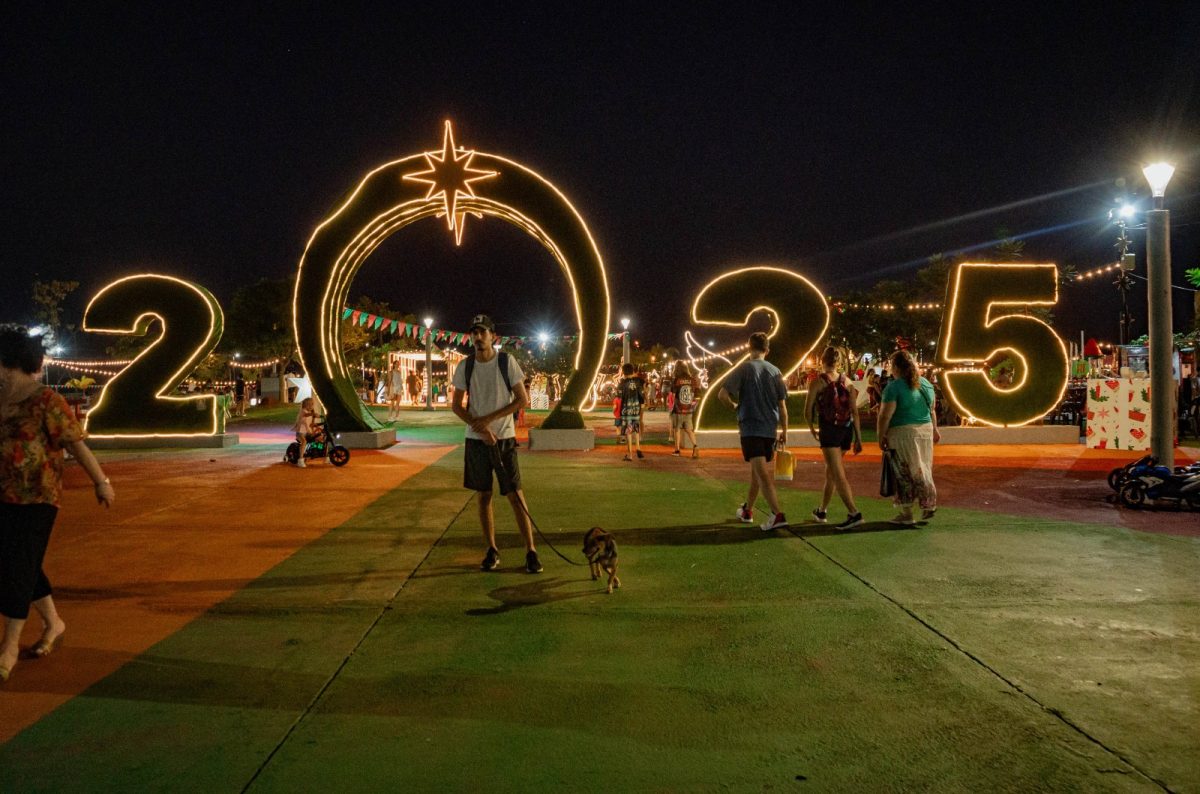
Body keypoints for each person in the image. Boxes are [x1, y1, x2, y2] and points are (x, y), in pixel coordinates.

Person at [1, 326, 114, 684]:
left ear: (11, 363)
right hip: (3, 496)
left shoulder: (47, 401)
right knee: (21, 563)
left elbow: (76, 444)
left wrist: (101, 482)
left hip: (39, 497)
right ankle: (54, 623)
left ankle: (8, 646)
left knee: (17, 566)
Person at [451, 314, 541, 574]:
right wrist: (478, 427)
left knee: (515, 495)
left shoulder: (506, 362)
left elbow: (521, 399)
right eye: (474, 333)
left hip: (504, 439)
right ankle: (491, 549)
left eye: (483, 332)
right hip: (476, 441)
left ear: (493, 336)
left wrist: (488, 420)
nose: (478, 337)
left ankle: (531, 550)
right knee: (483, 496)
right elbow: (456, 405)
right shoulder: (465, 366)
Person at [718, 331, 788, 531]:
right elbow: (782, 406)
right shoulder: (775, 371)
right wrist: (785, 430)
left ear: (749, 348)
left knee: (761, 474)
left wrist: (735, 407)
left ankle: (777, 514)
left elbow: (722, 395)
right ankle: (747, 510)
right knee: (757, 473)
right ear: (767, 350)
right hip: (770, 429)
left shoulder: (744, 368)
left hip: (751, 428)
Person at [877, 349, 940, 525]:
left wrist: (880, 436)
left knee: (902, 473)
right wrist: (935, 430)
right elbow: (932, 410)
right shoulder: (926, 384)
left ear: (896, 367)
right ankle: (929, 503)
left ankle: (907, 513)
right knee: (922, 468)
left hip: (903, 433)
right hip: (925, 431)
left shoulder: (894, 387)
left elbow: (885, 416)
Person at [805, 346, 864, 529]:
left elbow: (808, 410)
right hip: (846, 430)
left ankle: (854, 513)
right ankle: (822, 510)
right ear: (838, 362)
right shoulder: (848, 382)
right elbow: (854, 412)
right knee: (831, 471)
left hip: (829, 430)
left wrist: (812, 428)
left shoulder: (818, 382)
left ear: (822, 361)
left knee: (837, 474)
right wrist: (858, 438)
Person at [670, 360, 701, 458]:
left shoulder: (677, 380)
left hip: (678, 409)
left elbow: (672, 395)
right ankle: (695, 446)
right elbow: (697, 394)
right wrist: (693, 406)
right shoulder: (692, 380)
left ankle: (677, 450)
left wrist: (670, 407)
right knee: (689, 429)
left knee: (677, 429)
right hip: (689, 409)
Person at [616, 363, 645, 460]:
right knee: (636, 428)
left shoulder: (622, 383)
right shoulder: (637, 381)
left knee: (628, 430)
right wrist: (642, 403)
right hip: (636, 407)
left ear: (624, 372)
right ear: (632, 371)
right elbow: (641, 394)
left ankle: (630, 455)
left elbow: (619, 396)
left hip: (626, 408)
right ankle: (638, 448)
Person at [291, 397, 318, 468]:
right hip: (300, 432)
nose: (311, 406)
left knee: (318, 437)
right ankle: (300, 460)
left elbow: (311, 424)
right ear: (305, 405)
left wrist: (315, 423)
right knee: (304, 442)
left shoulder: (311, 413)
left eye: (312, 404)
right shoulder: (303, 411)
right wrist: (313, 414)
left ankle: (322, 455)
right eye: (309, 405)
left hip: (307, 431)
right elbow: (306, 415)